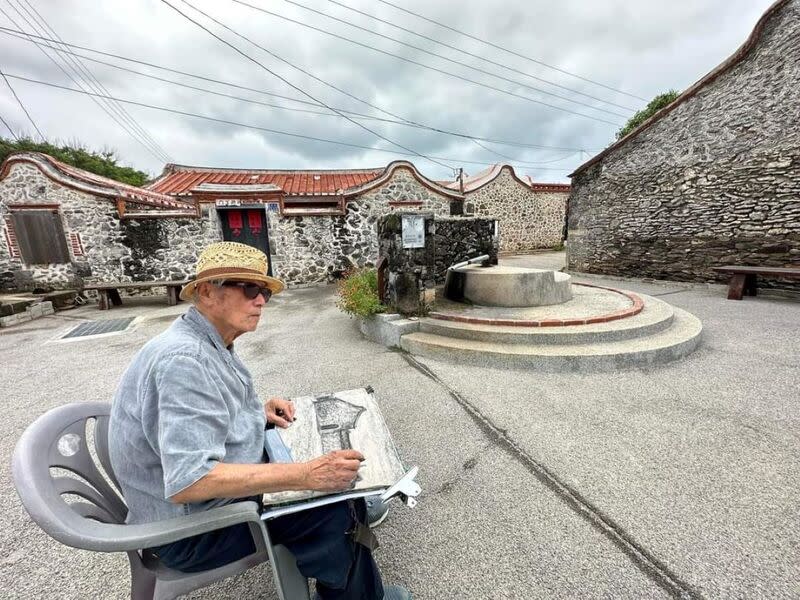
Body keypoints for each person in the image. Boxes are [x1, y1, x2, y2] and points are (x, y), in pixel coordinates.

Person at [108, 241, 409, 600]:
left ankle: (354, 558)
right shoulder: (183, 361)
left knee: (336, 481)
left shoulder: (205, 341)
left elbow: (203, 417)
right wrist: (305, 475)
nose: (262, 300)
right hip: (188, 532)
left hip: (188, 510)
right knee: (333, 509)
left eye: (263, 290)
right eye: (250, 288)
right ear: (206, 291)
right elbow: (190, 480)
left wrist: (255, 414)